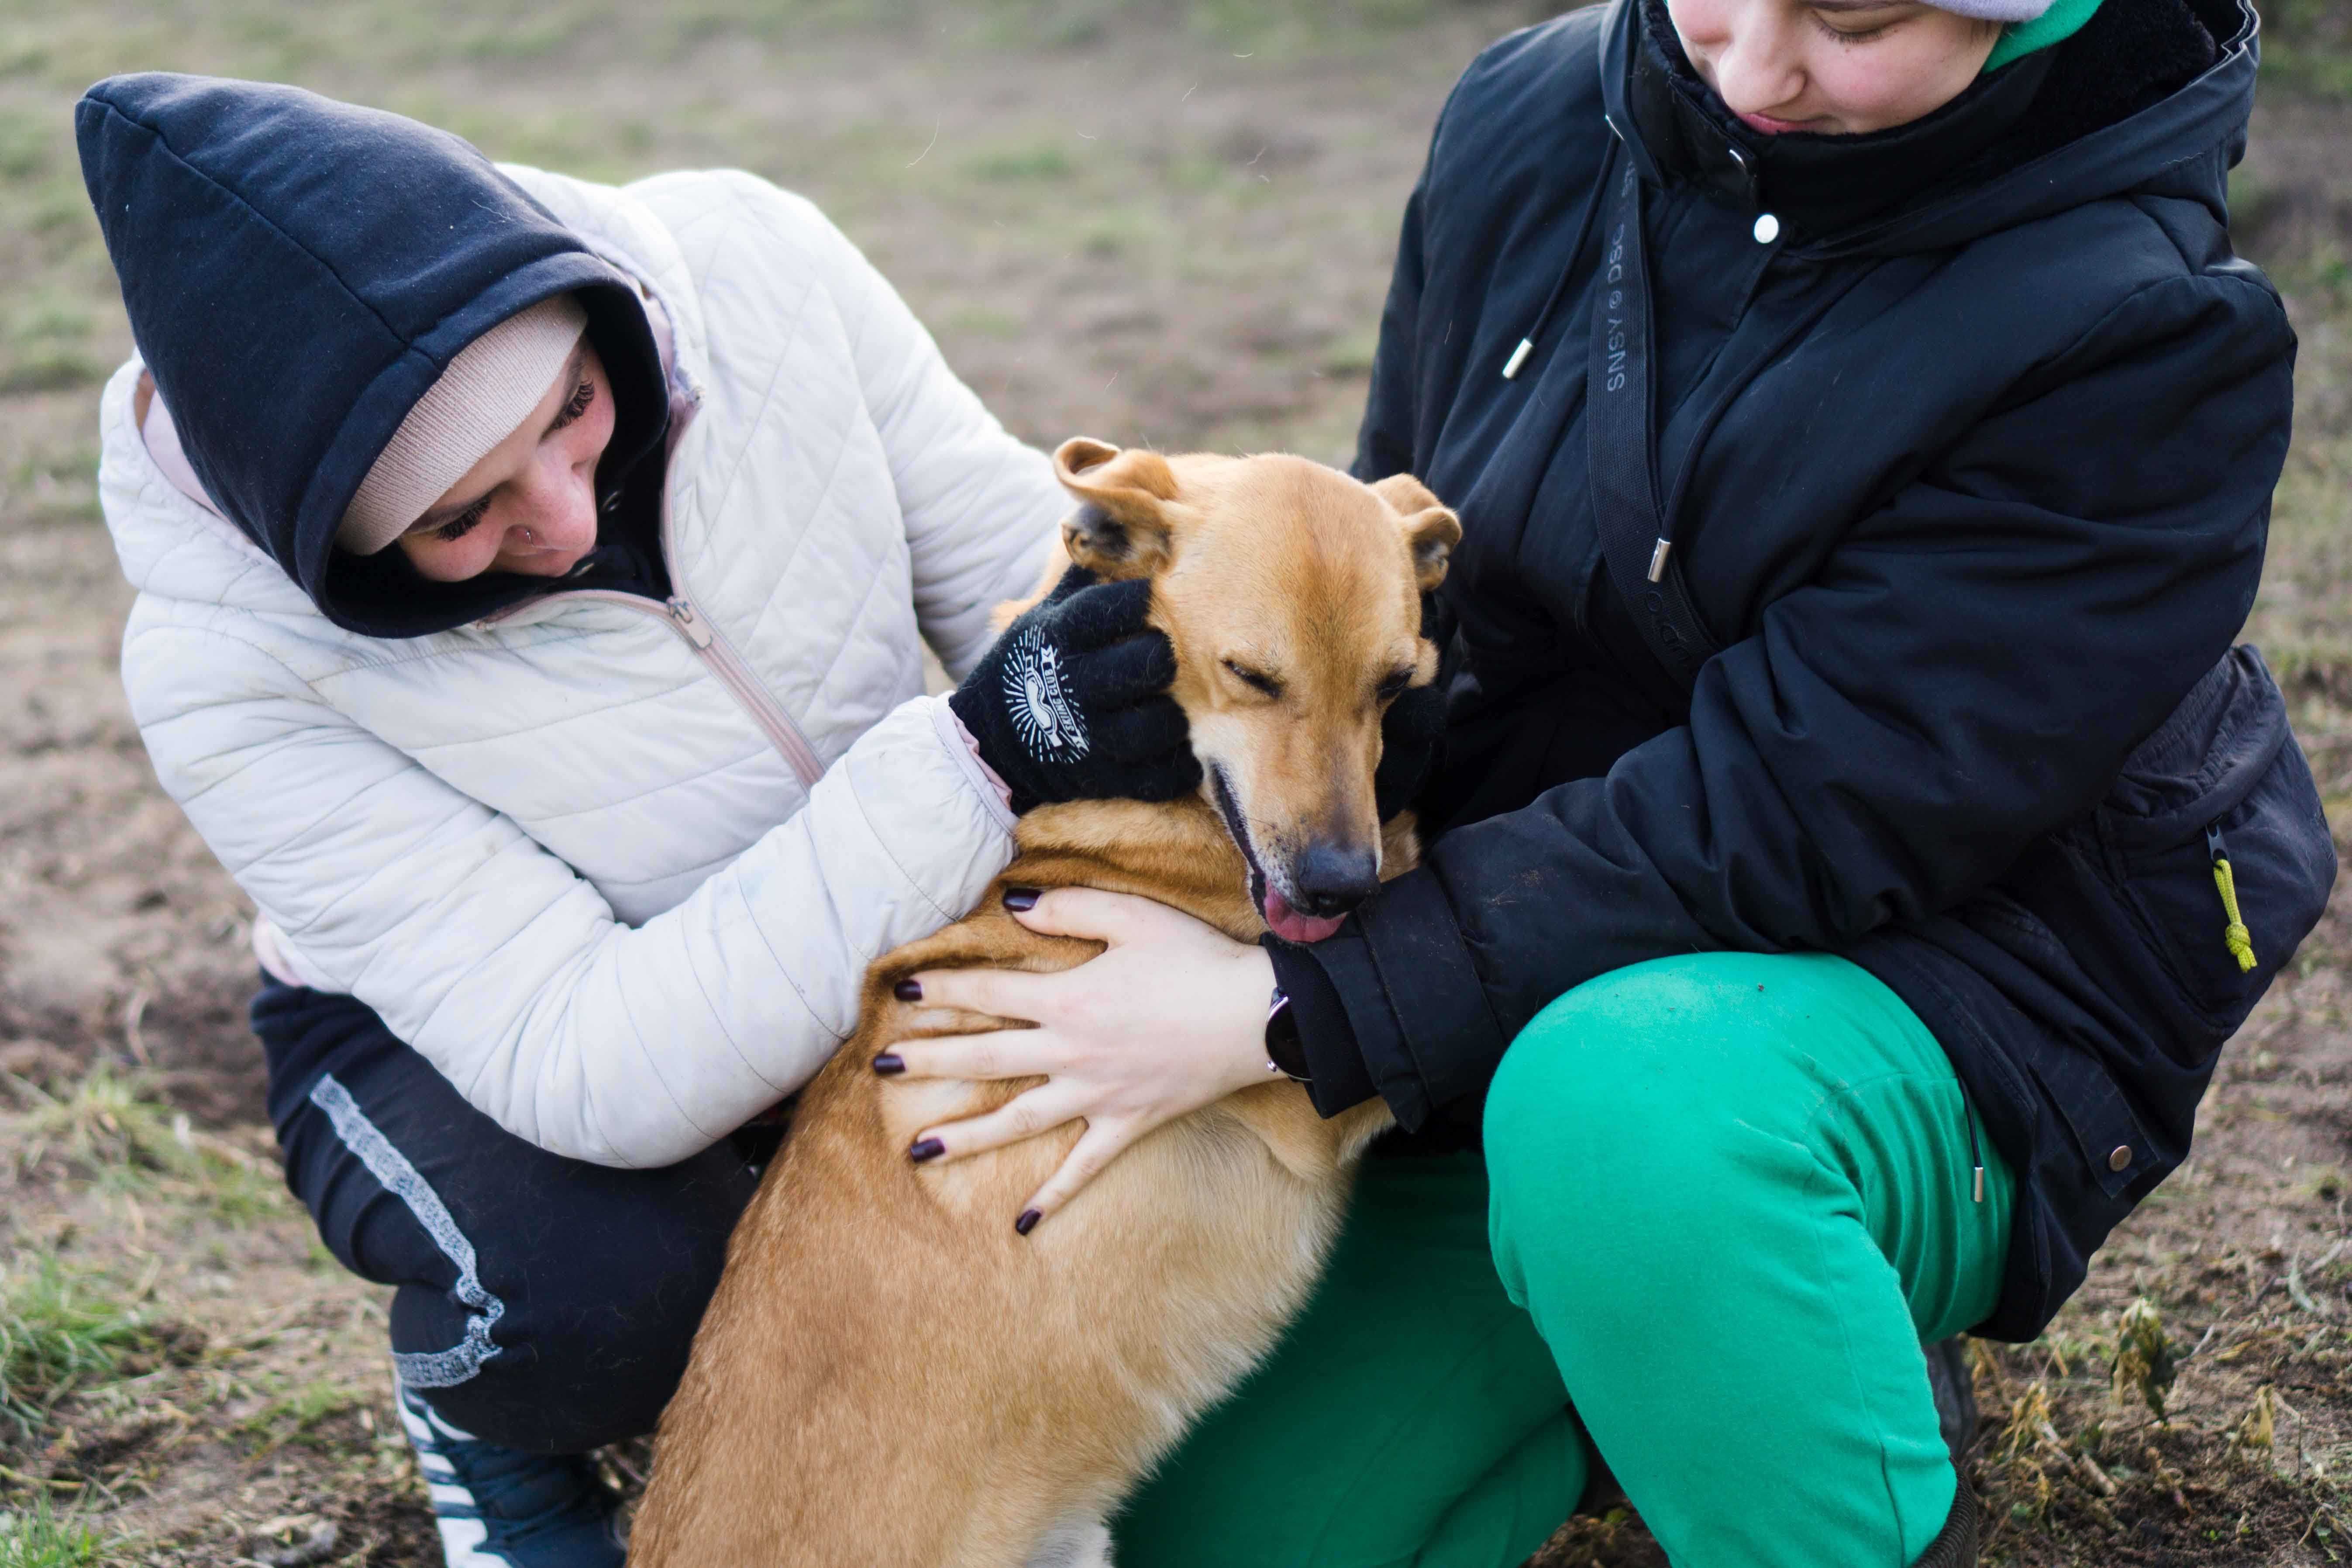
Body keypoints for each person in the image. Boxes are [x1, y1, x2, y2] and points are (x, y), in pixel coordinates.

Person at [875, 0, 2337, 1564]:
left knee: (1633, 1113)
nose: (1755, 67)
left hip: (1949, 967)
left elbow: (1807, 803)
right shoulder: (1526, 113)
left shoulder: (2145, 327)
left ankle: (1775, 1322)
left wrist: (1292, 1016)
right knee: (1208, 1534)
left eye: (1849, 21)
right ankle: (1649, 1344)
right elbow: (1426, 622)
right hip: (1537, 963)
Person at [72, 72, 1296, 1568]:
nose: (567, 518)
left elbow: (1011, 571)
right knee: (604, 1296)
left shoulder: (750, 264)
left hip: (890, 888)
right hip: (485, 1037)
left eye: (572, 412)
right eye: (463, 521)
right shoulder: (222, 669)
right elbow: (593, 1064)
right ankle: (490, 1436)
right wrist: (975, 762)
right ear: (331, 547)